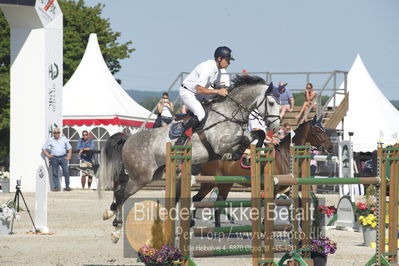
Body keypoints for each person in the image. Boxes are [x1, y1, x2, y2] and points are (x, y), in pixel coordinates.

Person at [176, 46, 233, 145]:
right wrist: (218, 92)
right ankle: (182, 138)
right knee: (200, 114)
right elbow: (199, 89)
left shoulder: (218, 71)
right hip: (188, 92)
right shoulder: (208, 67)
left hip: (198, 93)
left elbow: (219, 87)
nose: (229, 62)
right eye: (227, 60)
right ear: (219, 58)